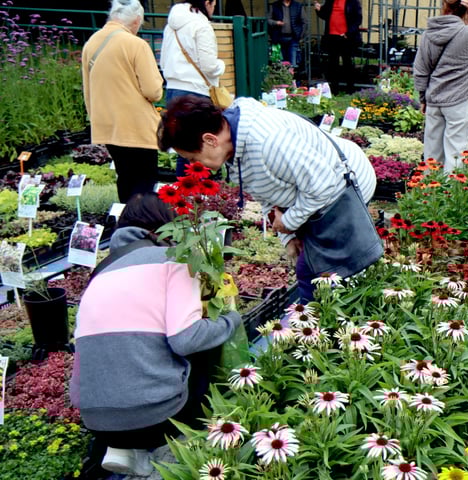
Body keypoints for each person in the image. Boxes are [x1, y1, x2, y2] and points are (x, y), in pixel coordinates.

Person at [70, 192, 242, 476]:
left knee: (130, 345)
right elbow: (186, 338)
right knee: (202, 345)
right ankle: (180, 446)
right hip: (156, 416)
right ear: (166, 225)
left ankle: (125, 449)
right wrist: (230, 320)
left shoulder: (99, 275)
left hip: (96, 420)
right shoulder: (171, 260)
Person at [158, 95, 380, 302]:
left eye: (193, 157)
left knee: (315, 274)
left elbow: (323, 186)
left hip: (346, 189)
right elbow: (266, 189)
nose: (195, 165)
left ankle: (323, 328)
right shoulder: (235, 143)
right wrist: (289, 236)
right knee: (315, 267)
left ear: (210, 140)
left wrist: (289, 222)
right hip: (316, 193)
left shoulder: (268, 142)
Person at [81, 0, 162, 203]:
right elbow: (153, 91)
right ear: (136, 20)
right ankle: (139, 226)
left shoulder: (91, 43)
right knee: (144, 180)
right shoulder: (136, 44)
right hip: (136, 126)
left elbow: (87, 90)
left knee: (125, 177)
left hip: (107, 125)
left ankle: (125, 222)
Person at [414, 0, 468, 173]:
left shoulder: (431, 32)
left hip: (434, 98)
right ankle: (449, 196)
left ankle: (430, 193)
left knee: (431, 153)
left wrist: (423, 96)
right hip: (459, 100)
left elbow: (421, 68)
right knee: (455, 153)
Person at [160, 0, 225, 177]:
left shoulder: (171, 25)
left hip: (173, 89)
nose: (214, 8)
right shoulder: (201, 25)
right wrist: (222, 66)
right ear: (206, 2)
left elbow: (163, 61)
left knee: (183, 148)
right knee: (199, 149)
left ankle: (183, 197)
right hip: (196, 92)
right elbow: (209, 65)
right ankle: (197, 197)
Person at [314, 0, 362, 93]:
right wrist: (318, 10)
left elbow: (358, 19)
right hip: (332, 36)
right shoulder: (330, 1)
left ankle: (350, 88)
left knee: (347, 63)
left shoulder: (353, 2)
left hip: (345, 37)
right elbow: (325, 15)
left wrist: (348, 32)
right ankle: (334, 89)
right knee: (333, 63)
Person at [269, 0, 308, 69]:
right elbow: (268, 19)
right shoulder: (275, 5)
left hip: (293, 38)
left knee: (293, 63)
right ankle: (282, 78)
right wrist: (275, 22)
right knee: (278, 63)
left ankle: (291, 78)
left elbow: (304, 22)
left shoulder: (298, 5)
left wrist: (300, 35)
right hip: (277, 38)